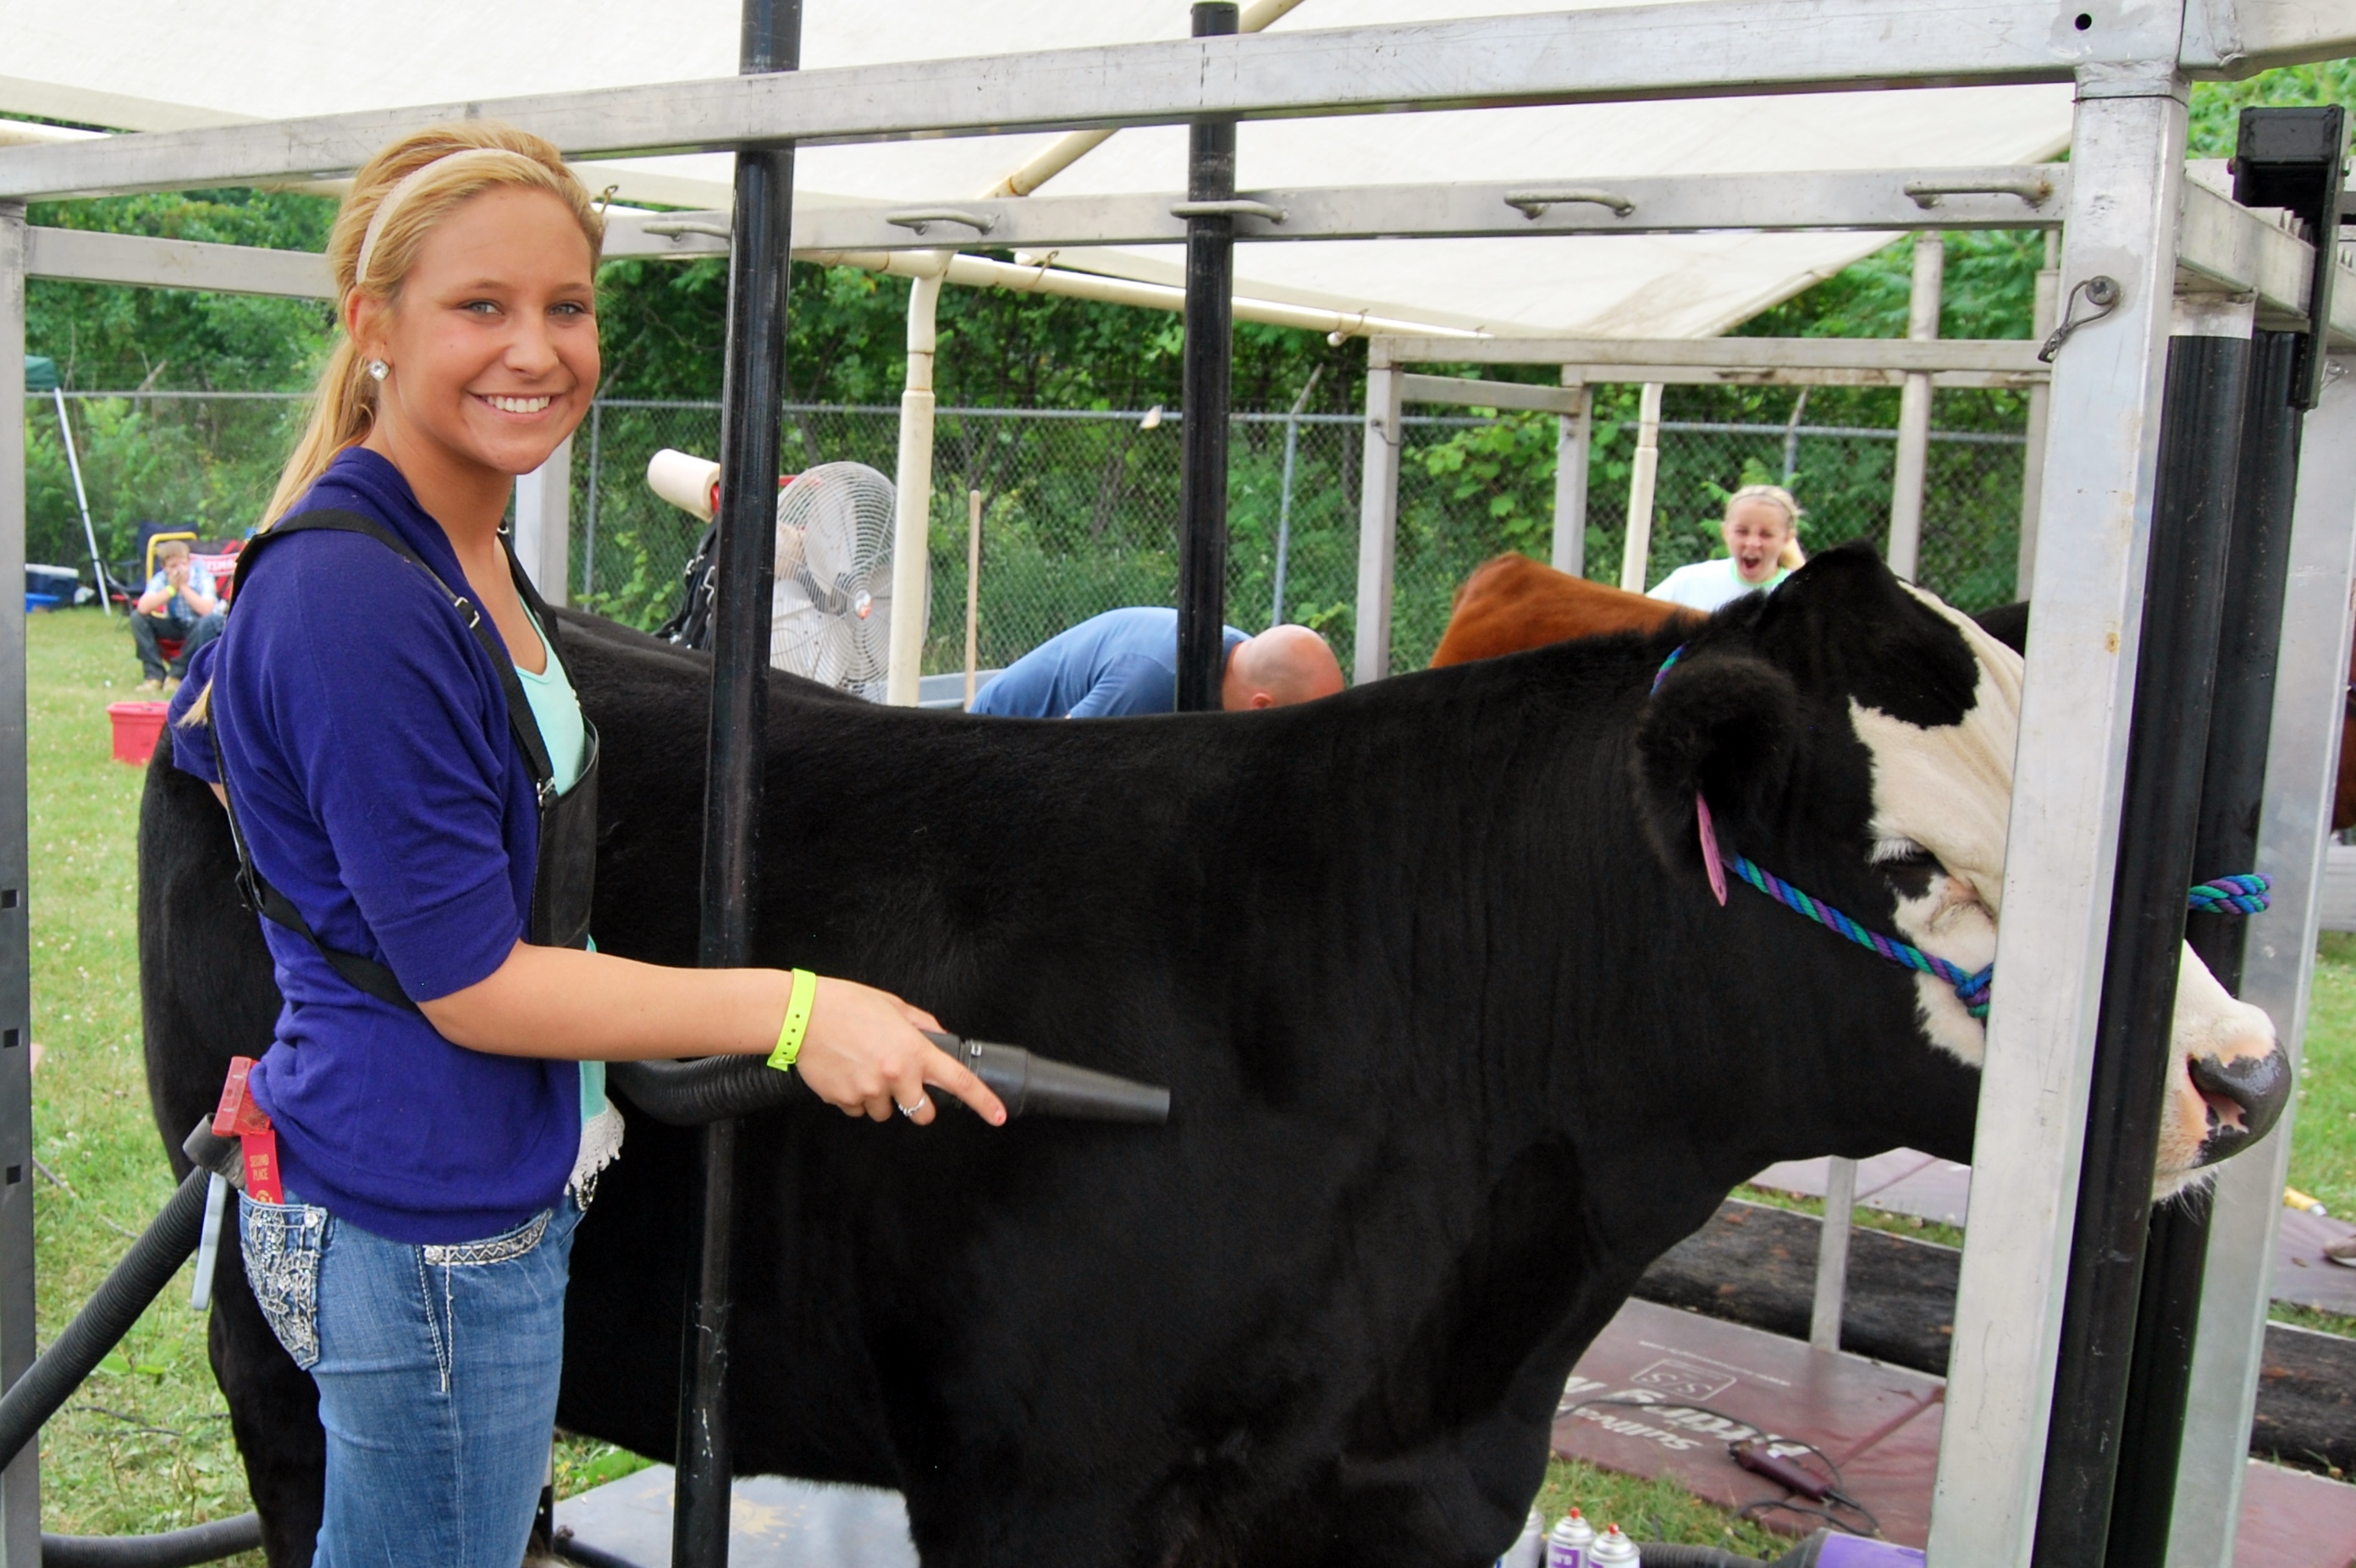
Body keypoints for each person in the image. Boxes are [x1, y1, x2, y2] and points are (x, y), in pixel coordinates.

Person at [166, 122, 1005, 1568]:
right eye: (479, 306)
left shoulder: (461, 546)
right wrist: (795, 1010)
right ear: (374, 325)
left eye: (566, 305)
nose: (536, 349)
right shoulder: (359, 600)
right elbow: (471, 982)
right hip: (419, 1219)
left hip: (471, 1183)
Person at [967, 605, 1344, 718]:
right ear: (1261, 708)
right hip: (1000, 737)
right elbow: (1059, 761)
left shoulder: (1244, 664)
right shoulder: (1152, 687)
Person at [1646, 483, 1808, 614]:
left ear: (1787, 539)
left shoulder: (1801, 598)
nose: (1752, 543)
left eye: (1766, 534)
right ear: (1725, 533)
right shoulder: (1689, 582)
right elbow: (1637, 618)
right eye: (1742, 532)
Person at [131, 538, 225, 692]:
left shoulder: (202, 576)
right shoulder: (161, 578)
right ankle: (154, 676)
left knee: (204, 623)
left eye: (183, 564)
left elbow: (207, 610)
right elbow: (143, 607)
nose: (179, 570)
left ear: (189, 562)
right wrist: (172, 589)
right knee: (138, 618)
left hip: (201, 626)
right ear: (164, 567)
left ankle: (177, 675)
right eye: (173, 566)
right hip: (175, 623)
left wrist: (183, 586)